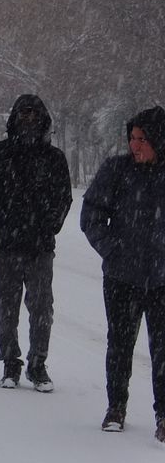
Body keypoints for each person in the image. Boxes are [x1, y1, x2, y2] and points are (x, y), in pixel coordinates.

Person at [0, 94, 71, 392]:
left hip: (40, 246)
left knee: (41, 307)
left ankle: (38, 364)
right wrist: (1, 219)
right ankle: (10, 362)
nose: (28, 120)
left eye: (34, 115)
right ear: (14, 119)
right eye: (23, 114)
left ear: (43, 120)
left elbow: (63, 197)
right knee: (7, 307)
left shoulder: (54, 159)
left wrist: (49, 225)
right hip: (4, 245)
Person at [80, 105, 165, 442]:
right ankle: (116, 407)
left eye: (142, 139)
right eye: (132, 138)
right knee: (119, 344)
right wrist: (113, 250)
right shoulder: (116, 170)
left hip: (161, 280)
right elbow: (91, 216)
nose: (135, 145)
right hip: (121, 277)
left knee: (162, 349)